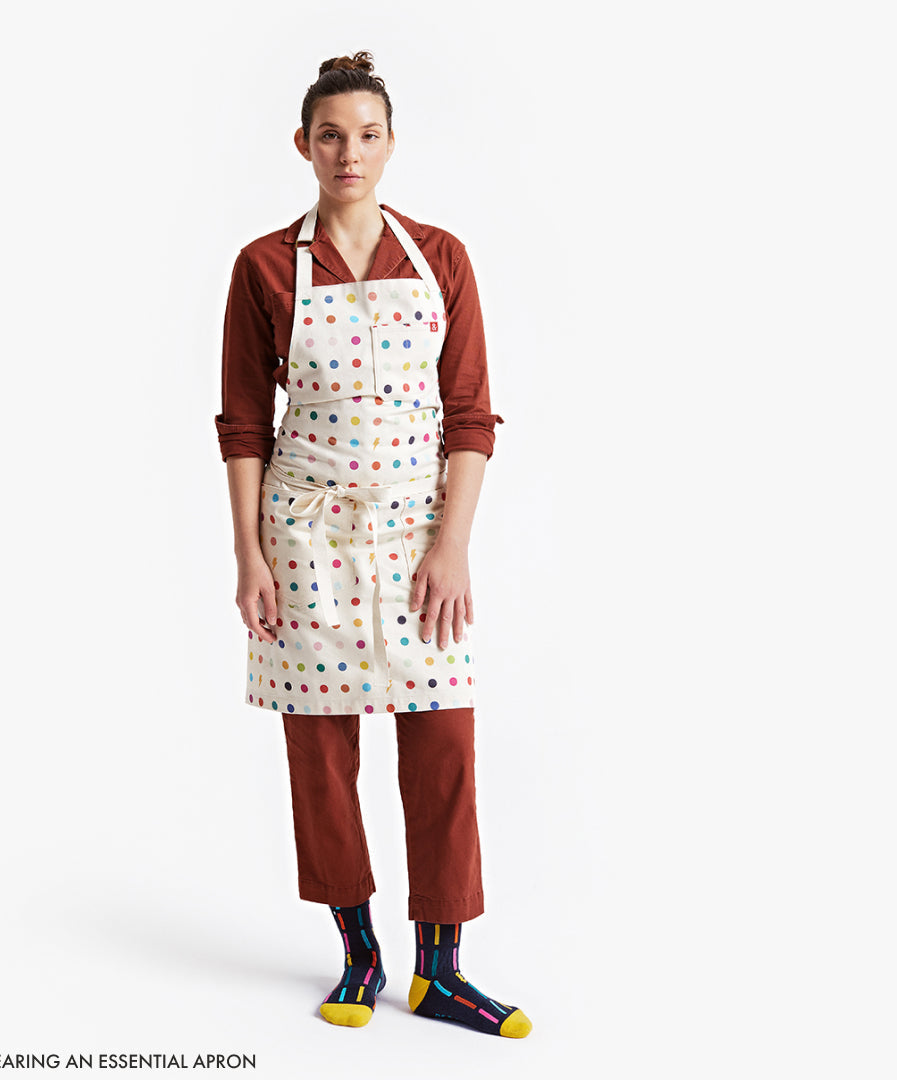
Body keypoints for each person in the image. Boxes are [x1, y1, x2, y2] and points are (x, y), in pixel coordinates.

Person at [214, 52, 530, 1039]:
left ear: (391, 144)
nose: (348, 152)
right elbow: (243, 423)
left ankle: (441, 971)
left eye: (367, 134)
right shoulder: (265, 266)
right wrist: (250, 555)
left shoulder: (441, 256)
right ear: (303, 145)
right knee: (320, 752)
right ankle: (358, 954)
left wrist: (452, 545)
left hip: (417, 535)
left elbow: (469, 414)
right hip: (303, 538)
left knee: (444, 749)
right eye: (331, 135)